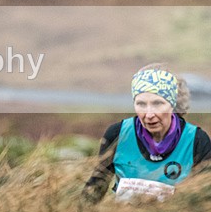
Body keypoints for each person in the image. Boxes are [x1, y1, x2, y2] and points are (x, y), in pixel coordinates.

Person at [81, 63, 211, 204]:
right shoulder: (117, 135)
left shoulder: (197, 141)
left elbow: (205, 200)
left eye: (158, 104)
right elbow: (94, 190)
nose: (149, 114)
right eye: (141, 104)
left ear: (173, 104)